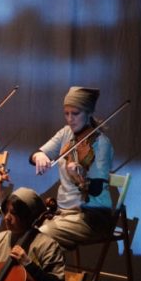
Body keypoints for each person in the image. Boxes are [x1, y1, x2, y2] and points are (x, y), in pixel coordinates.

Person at [31, 86, 114, 249]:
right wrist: (39, 155)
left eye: (75, 114)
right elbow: (35, 155)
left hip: (91, 217)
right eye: (66, 113)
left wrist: (79, 179)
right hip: (63, 212)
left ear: (88, 113)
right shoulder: (66, 133)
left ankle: (45, 273)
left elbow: (96, 189)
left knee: (43, 236)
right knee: (29, 229)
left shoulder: (101, 144)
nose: (70, 119)